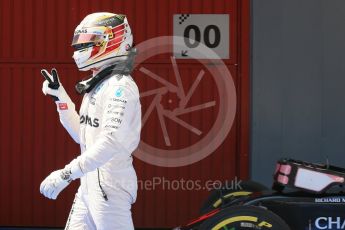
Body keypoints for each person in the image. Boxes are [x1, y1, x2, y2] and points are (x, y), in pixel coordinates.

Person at [39, 12, 141, 230]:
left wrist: (66, 174)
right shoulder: (100, 83)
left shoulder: (120, 87)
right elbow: (83, 135)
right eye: (78, 44)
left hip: (109, 186)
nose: (78, 50)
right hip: (91, 181)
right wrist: (61, 98)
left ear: (112, 41)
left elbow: (111, 143)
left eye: (87, 43)